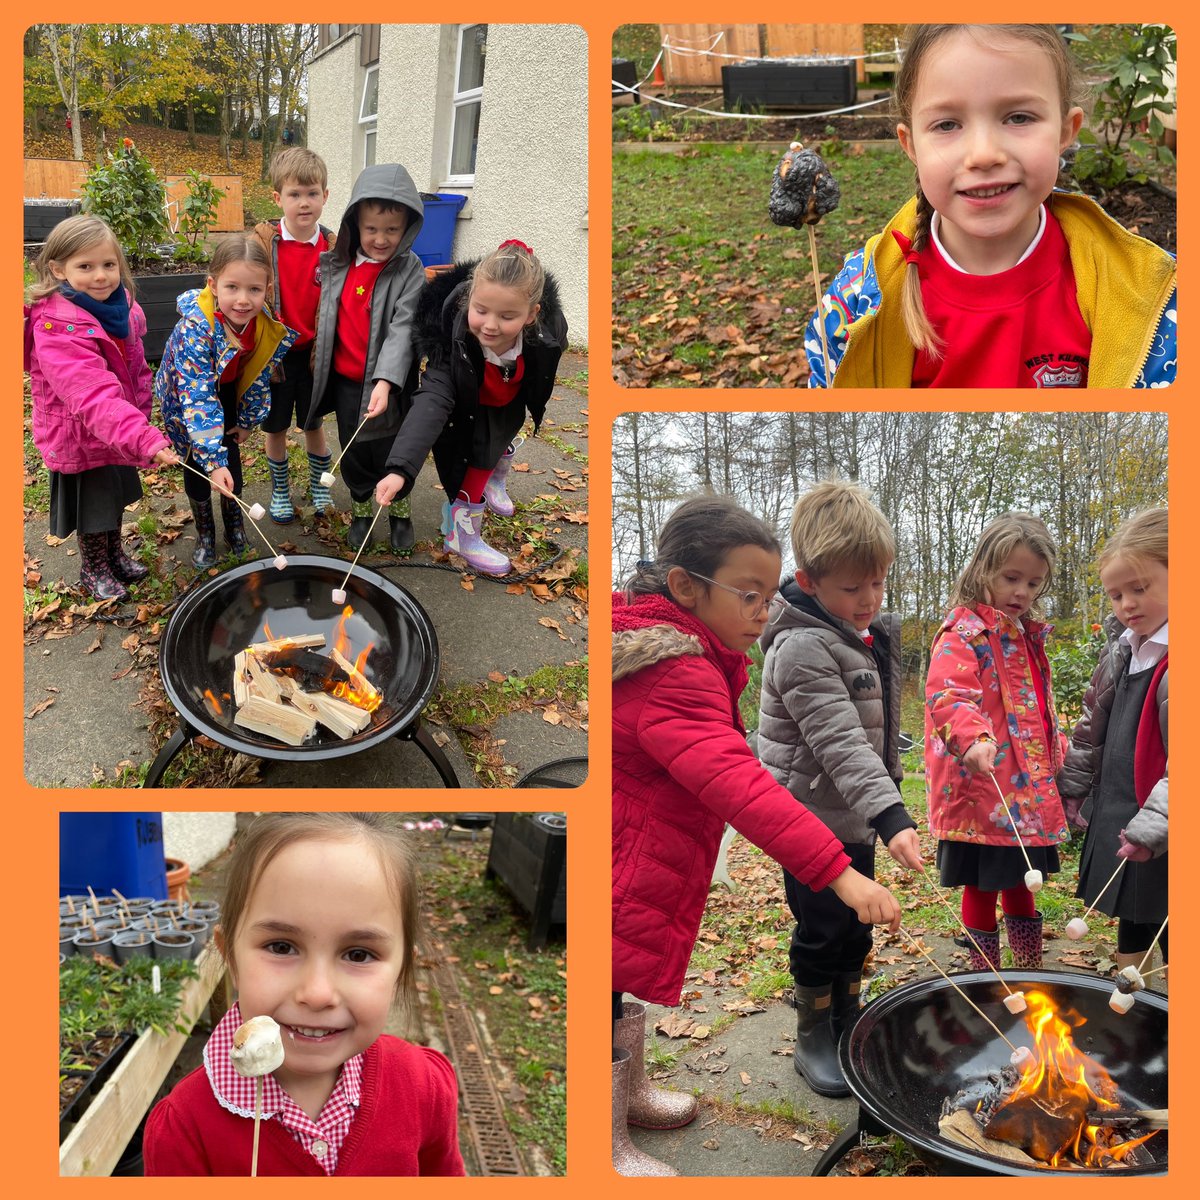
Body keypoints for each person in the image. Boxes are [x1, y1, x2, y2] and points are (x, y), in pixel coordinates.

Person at [612, 494, 901, 1176]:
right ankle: (604, 1144)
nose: (764, 612)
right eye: (749, 595)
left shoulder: (694, 651)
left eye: (770, 595)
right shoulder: (673, 671)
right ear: (685, 586)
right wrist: (840, 871)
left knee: (614, 986)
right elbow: (741, 785)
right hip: (622, 860)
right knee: (600, 990)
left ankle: (630, 1094)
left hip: (643, 852)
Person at [806, 24, 1176, 388]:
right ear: (911, 146)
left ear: (1066, 131)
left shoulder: (1143, 294)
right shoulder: (859, 299)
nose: (983, 155)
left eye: (1018, 117)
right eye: (948, 124)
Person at [144, 812, 465, 1176]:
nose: (317, 993)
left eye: (358, 954)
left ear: (401, 969)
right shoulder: (184, 1130)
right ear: (230, 956)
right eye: (281, 947)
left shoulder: (424, 1087)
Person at [757, 480, 922, 1097]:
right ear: (810, 580)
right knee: (823, 926)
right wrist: (893, 816)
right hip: (809, 821)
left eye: (877, 583)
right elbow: (840, 743)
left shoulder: (867, 637)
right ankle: (813, 1032)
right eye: (853, 588)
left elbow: (879, 734)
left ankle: (848, 1015)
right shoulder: (801, 647)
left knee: (858, 924)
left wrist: (884, 805)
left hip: (853, 818)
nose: (868, 599)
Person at [925, 513, 1069, 972]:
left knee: (1024, 881)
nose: (1022, 592)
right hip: (981, 788)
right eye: (1011, 578)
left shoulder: (1028, 636)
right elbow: (949, 693)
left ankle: (1026, 967)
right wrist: (971, 739)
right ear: (983, 569)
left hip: (1025, 789)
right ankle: (986, 977)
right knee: (983, 882)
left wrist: (1056, 747)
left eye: (1033, 582)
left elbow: (1035, 705)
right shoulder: (963, 634)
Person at [375, 240, 567, 576]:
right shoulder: (452, 344)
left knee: (500, 443)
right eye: (481, 310)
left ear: (532, 314)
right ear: (468, 299)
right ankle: (463, 535)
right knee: (477, 460)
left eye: (507, 316)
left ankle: (497, 476)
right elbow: (431, 402)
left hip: (508, 407)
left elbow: (545, 365)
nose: (490, 325)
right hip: (467, 412)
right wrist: (400, 468)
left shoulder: (547, 332)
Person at [24, 214, 179, 600]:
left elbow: (137, 368)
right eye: (85, 267)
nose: (100, 276)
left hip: (117, 426)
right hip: (80, 432)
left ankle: (114, 555)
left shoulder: (119, 308)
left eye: (109, 265)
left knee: (114, 496)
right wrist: (140, 434)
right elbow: (89, 393)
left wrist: (140, 416)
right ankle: (93, 569)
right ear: (59, 269)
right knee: (94, 506)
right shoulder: (57, 326)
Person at [1059, 508, 1168, 974]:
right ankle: (1137, 1012)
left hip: (1165, 819)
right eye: (1116, 593)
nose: (1126, 603)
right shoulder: (1122, 649)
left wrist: (1158, 823)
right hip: (1123, 812)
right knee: (1133, 915)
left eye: (1139, 588)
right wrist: (1072, 790)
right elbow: (1090, 727)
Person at [155, 234, 296, 568]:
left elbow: (260, 374)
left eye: (254, 290)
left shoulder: (263, 326)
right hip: (186, 400)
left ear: (268, 288)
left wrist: (247, 420)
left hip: (228, 392)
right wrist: (211, 461)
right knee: (198, 465)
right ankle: (206, 532)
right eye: (232, 287)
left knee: (229, 456)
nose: (243, 300)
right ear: (214, 285)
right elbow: (199, 397)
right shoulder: (196, 327)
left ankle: (234, 525)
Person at [306, 164, 424, 551]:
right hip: (345, 382)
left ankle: (399, 512)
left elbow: (403, 329)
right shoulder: (336, 263)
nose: (381, 239)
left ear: (407, 227)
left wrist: (386, 381)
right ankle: (361, 511)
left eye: (391, 230)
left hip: (390, 384)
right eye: (372, 229)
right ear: (356, 223)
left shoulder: (410, 271)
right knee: (354, 451)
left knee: (391, 448)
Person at [251, 147, 338, 523]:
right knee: (277, 426)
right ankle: (281, 490)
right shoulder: (264, 243)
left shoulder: (333, 247)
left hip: (315, 353)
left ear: (325, 196)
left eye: (312, 193)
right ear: (278, 198)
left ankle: (320, 487)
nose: (304, 203)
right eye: (294, 194)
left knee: (314, 423)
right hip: (276, 356)